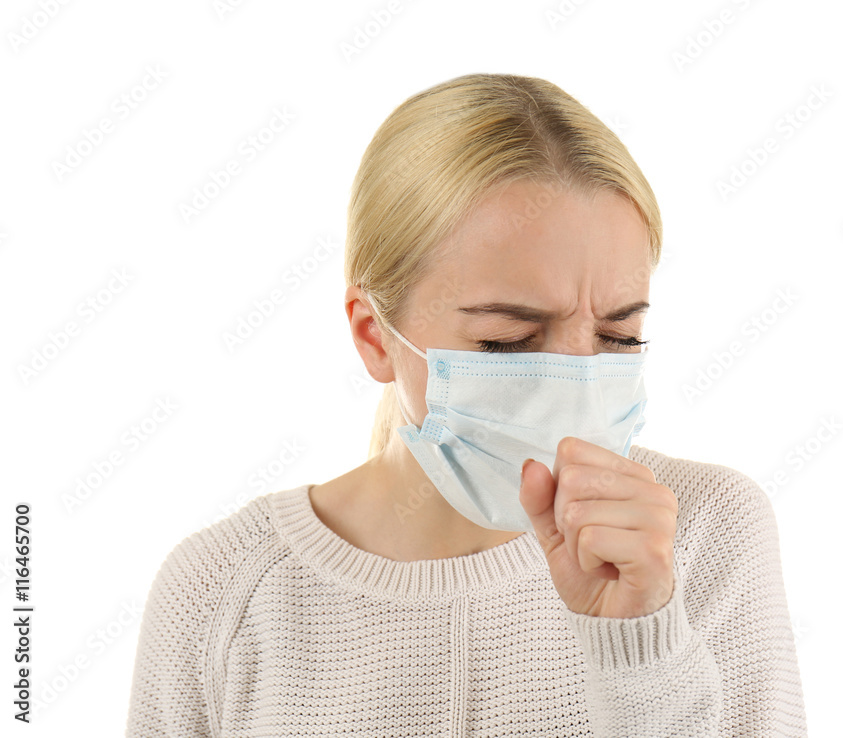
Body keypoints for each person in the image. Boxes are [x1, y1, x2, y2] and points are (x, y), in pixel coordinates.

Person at [126, 72, 808, 736]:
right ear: (374, 336)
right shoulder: (218, 590)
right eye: (508, 341)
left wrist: (639, 649)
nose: (575, 386)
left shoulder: (705, 535)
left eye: (618, 335)